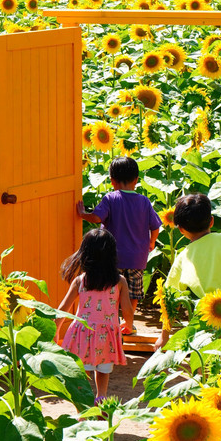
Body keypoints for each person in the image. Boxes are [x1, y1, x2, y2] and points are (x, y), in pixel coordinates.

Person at [154, 192, 221, 350]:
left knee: (208, 370)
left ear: (181, 230)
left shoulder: (184, 257)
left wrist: (164, 336)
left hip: (210, 328)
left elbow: (171, 300)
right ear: (211, 221)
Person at [77, 156, 160, 335]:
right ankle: (128, 324)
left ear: (112, 181)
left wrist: (83, 214)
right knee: (133, 292)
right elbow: (156, 226)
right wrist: (152, 242)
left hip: (112, 257)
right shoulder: (144, 202)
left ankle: (112, 320)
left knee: (111, 289)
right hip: (137, 257)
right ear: (136, 180)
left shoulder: (111, 198)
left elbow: (98, 217)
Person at [57, 229, 133, 404]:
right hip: (106, 335)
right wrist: (128, 324)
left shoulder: (80, 281)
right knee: (103, 368)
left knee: (81, 373)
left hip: (82, 333)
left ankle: (83, 406)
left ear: (84, 253)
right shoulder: (119, 281)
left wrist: (56, 329)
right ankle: (101, 396)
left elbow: (62, 308)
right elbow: (127, 309)